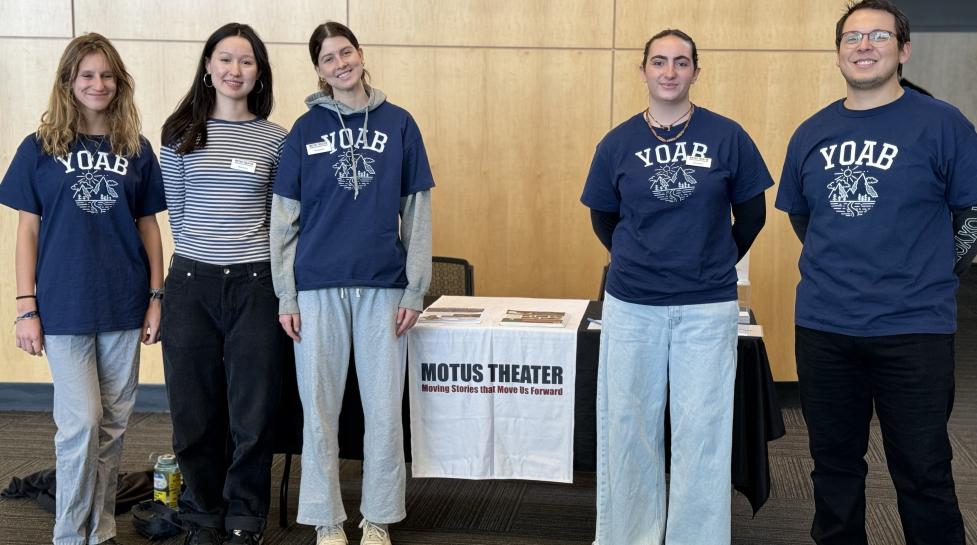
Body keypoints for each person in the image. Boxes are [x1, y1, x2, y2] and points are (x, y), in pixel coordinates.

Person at [775, 1, 976, 544]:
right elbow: (803, 217)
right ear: (839, 53)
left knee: (924, 470)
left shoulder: (943, 123)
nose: (864, 45)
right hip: (824, 327)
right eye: (852, 37)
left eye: (879, 35)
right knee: (833, 468)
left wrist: (933, 268)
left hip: (914, 330)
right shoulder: (811, 131)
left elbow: (973, 216)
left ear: (903, 50)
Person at [580, 29, 771, 545]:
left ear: (695, 72)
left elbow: (752, 214)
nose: (669, 72)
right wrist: (634, 256)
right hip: (633, 305)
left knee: (703, 432)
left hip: (707, 306)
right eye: (659, 62)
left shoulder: (728, 136)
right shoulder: (617, 142)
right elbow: (604, 216)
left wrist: (715, 257)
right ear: (643, 70)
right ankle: (628, 536)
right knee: (628, 428)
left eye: (681, 62)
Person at [270, 20, 434, 545]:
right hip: (316, 290)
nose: (340, 63)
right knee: (319, 411)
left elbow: (418, 211)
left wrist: (415, 288)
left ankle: (379, 516)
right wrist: (286, 294)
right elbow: (283, 220)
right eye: (327, 58)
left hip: (384, 288)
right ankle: (326, 517)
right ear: (318, 70)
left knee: (384, 411)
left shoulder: (401, 124)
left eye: (346, 52)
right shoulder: (303, 130)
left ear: (360, 55)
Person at [0, 33, 165, 545]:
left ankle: (102, 530)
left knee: (114, 424)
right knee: (81, 425)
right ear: (69, 82)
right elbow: (27, 230)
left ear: (119, 83)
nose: (98, 84)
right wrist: (26, 305)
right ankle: (70, 535)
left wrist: (157, 297)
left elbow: (149, 227)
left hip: (124, 301)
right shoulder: (40, 147)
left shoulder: (135, 149)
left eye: (107, 75)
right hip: (65, 304)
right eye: (88, 75)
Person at [158, 22, 288, 545]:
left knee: (252, 411)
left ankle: (244, 518)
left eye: (247, 61)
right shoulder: (178, 132)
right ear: (208, 66)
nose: (236, 70)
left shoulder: (276, 139)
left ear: (259, 72)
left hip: (256, 284)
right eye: (226, 59)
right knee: (193, 409)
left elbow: (279, 221)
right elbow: (180, 214)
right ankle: (201, 514)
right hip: (191, 282)